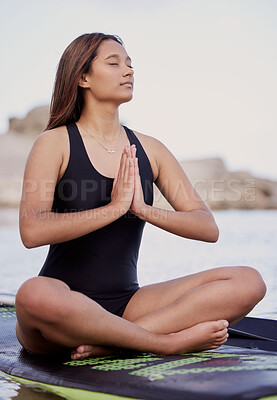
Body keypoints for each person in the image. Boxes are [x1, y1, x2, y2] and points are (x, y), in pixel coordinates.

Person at [15, 32, 266, 360]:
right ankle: (164, 342)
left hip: (128, 306)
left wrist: (144, 209)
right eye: (114, 63)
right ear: (82, 77)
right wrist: (114, 208)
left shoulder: (152, 149)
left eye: (130, 64)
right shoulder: (55, 143)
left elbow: (207, 227)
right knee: (33, 294)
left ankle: (110, 344)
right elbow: (31, 232)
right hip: (62, 311)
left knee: (249, 281)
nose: (129, 71)